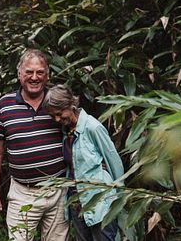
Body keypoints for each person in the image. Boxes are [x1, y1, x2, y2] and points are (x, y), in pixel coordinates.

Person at [0, 49, 69, 241]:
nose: (34, 77)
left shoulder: (56, 102)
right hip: (23, 192)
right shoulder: (5, 105)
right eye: (29, 72)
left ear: (47, 75)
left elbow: (78, 138)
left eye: (40, 72)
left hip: (57, 190)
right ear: (19, 74)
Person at [42, 84, 124, 241]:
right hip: (76, 202)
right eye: (53, 116)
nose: (57, 119)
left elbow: (114, 162)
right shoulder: (66, 131)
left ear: (70, 105)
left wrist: (119, 200)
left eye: (59, 114)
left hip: (100, 202)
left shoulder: (92, 127)